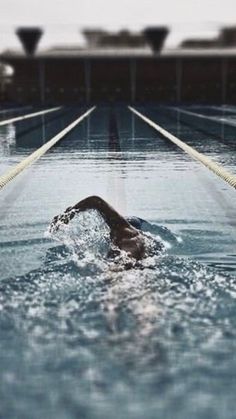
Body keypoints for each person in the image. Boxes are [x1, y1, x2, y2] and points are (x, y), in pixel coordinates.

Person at [50, 196, 160, 261]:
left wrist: (69, 214)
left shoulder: (123, 230)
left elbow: (96, 201)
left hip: (121, 267)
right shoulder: (147, 241)